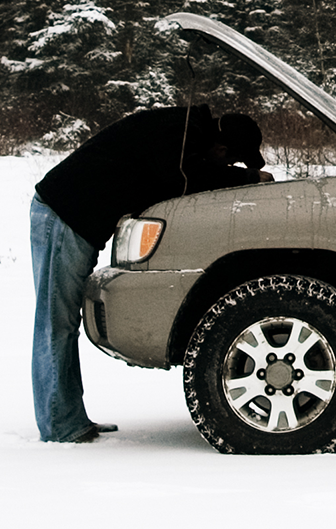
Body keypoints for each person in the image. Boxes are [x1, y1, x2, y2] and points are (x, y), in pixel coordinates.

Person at [30, 104, 271, 443]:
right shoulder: (179, 133)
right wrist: (245, 179)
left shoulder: (184, 132)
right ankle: (60, 425)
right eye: (231, 161)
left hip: (76, 219)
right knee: (57, 322)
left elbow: (183, 174)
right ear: (220, 148)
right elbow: (181, 180)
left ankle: (68, 419)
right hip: (64, 214)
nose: (228, 166)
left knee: (63, 324)